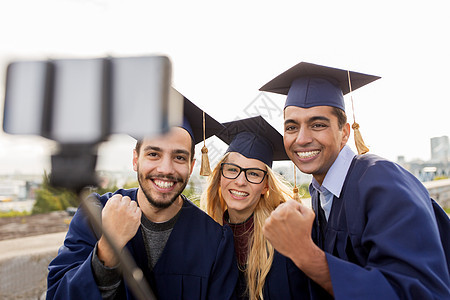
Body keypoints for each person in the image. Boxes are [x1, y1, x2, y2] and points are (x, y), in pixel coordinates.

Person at [260, 62, 450, 299]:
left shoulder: (382, 182)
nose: (302, 138)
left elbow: (418, 293)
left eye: (318, 125)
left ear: (345, 133)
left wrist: (305, 253)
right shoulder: (321, 192)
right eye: (291, 127)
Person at [46, 94, 239, 299]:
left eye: (179, 157)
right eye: (153, 154)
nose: (166, 169)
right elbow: (58, 294)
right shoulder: (95, 215)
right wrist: (107, 248)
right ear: (135, 159)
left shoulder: (215, 240)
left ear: (191, 166)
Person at [202, 115, 310, 300]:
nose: (240, 181)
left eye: (253, 173)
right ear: (220, 175)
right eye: (232, 169)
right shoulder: (207, 231)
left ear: (265, 186)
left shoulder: (281, 237)